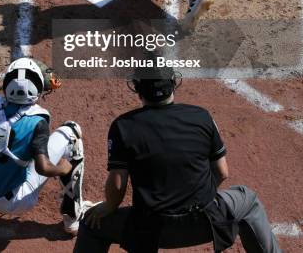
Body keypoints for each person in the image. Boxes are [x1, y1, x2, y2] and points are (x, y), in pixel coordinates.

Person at [74, 64, 281, 253]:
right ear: (174, 82)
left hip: (150, 232)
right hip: (205, 223)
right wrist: (199, 198)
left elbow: (118, 186)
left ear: (137, 88)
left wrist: (108, 207)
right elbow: (222, 172)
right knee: (248, 199)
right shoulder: (201, 116)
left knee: (91, 224)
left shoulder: (123, 126)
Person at [0, 57, 91, 236]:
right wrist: (62, 169)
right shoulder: (38, 121)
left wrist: (6, 82)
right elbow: (43, 167)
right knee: (72, 132)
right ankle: (73, 217)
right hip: (18, 201)